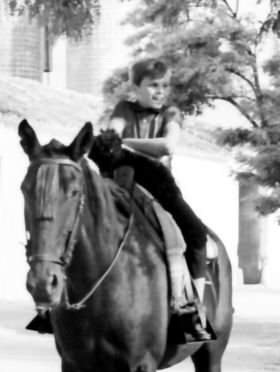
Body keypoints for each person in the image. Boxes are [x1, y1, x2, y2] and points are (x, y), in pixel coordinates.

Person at [29, 57, 213, 342]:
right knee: (78, 229)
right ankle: (53, 306)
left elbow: (166, 145)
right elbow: (111, 133)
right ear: (135, 87)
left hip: (159, 185)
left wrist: (123, 142)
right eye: (153, 85)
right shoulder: (124, 109)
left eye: (164, 86)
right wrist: (114, 139)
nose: (160, 91)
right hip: (120, 180)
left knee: (196, 235)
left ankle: (193, 311)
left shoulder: (171, 113)